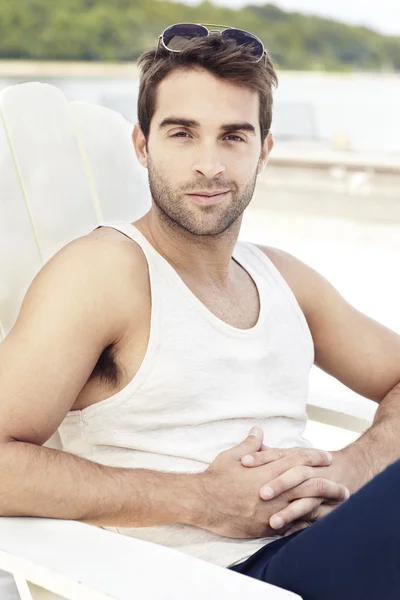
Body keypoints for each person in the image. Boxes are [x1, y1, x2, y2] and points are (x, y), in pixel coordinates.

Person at [1, 22, 400, 599]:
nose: (209, 164)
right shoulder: (105, 274)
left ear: (263, 150)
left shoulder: (283, 277)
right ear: (143, 145)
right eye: (183, 133)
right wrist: (199, 499)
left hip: (315, 551)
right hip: (202, 582)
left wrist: (353, 464)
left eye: (233, 136)